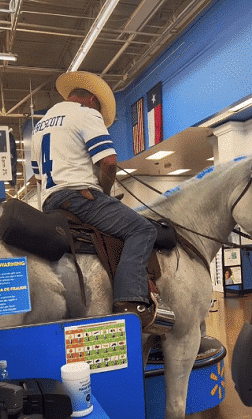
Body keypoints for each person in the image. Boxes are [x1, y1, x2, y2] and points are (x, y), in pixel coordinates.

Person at [32, 71, 173, 332]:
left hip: (51, 202)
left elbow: (36, 174)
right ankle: (130, 301)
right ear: (92, 100)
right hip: (80, 197)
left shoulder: (41, 125)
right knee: (142, 229)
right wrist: (104, 193)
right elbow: (108, 163)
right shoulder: (86, 114)